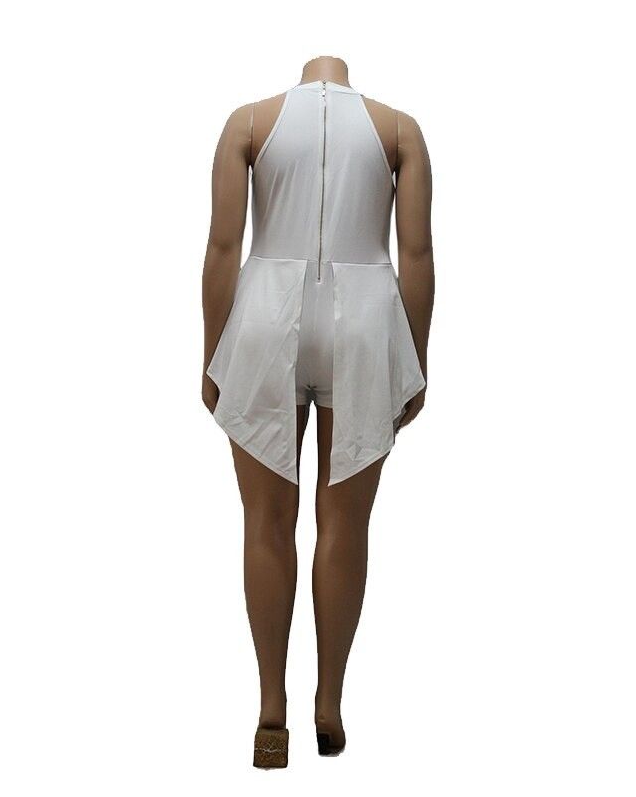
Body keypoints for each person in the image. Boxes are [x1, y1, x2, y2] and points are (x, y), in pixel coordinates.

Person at [201, 56, 434, 768]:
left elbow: (222, 245)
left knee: (266, 522)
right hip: (363, 319)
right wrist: (415, 357)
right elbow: (418, 253)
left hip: (267, 313)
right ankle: (328, 704)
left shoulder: (249, 121)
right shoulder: (399, 129)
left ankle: (271, 710)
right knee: (345, 524)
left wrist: (213, 353)